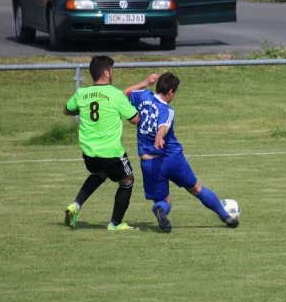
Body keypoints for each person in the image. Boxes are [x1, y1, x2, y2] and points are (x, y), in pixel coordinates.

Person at [124, 72, 239, 233]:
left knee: (164, 201)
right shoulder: (167, 110)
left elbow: (125, 93)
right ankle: (226, 216)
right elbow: (163, 126)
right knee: (197, 189)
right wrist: (158, 136)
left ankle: (160, 209)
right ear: (170, 92)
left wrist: (145, 82)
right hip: (172, 159)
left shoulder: (143, 96)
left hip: (148, 162)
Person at [63, 55, 140, 231]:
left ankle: (76, 205)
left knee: (101, 173)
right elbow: (135, 119)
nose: (113, 73)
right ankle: (115, 224)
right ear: (106, 73)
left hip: (89, 153)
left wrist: (83, 108)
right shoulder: (116, 94)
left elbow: (66, 110)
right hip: (111, 152)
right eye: (112, 70)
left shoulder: (82, 93)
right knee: (127, 181)